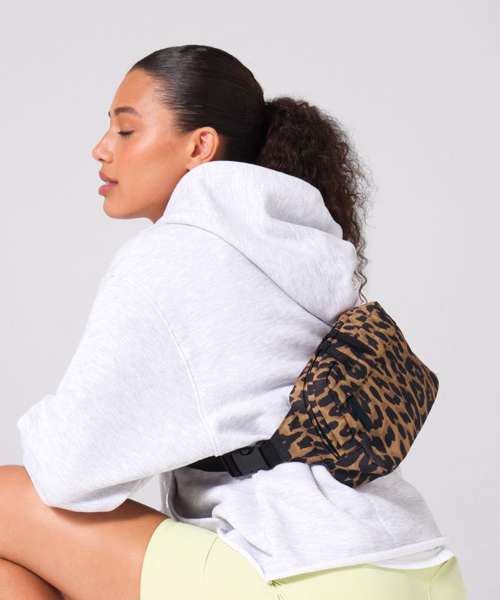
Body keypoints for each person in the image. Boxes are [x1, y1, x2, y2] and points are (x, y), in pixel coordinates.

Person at [5, 44, 468, 599]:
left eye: (126, 131)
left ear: (200, 146)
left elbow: (67, 471)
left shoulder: (173, 255)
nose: (101, 148)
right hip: (419, 568)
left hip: (301, 574)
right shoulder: (305, 246)